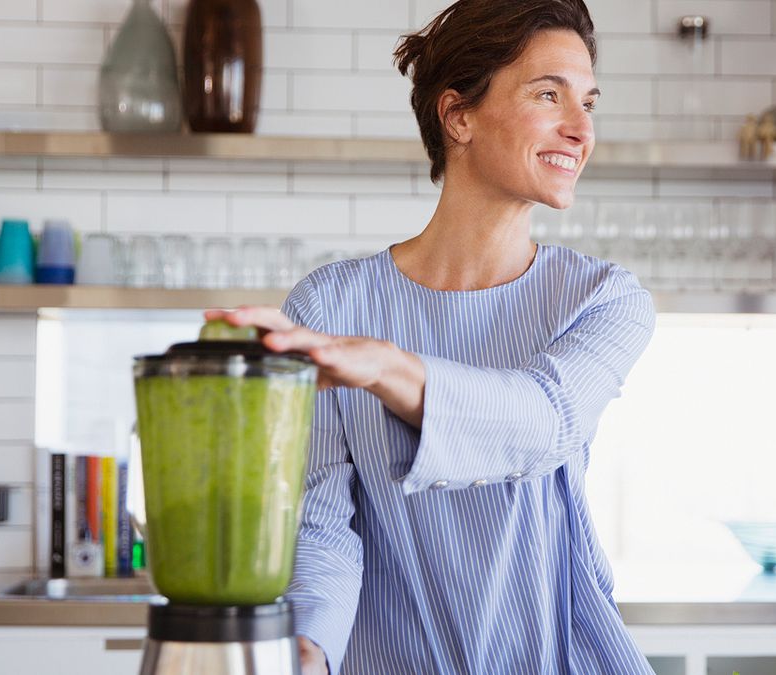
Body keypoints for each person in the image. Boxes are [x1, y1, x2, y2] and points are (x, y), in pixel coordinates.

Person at [210, 1, 656, 672]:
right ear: (459, 116)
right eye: (548, 94)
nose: (580, 128)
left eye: (588, 102)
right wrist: (305, 650)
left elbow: (544, 420)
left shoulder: (601, 298)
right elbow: (324, 522)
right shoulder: (331, 304)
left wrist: (385, 368)